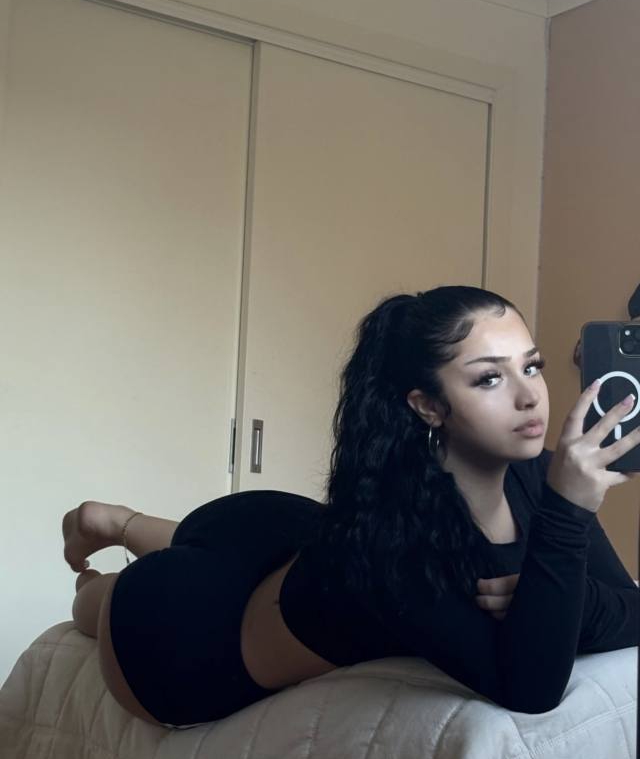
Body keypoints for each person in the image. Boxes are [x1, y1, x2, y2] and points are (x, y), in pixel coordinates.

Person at [65, 285, 640, 728]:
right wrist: (568, 514)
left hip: (284, 537)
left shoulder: (537, 476)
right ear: (428, 405)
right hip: (186, 629)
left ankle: (120, 521)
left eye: (531, 366)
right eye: (489, 378)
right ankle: (108, 542)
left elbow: (630, 608)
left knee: (264, 552)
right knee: (95, 601)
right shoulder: (397, 536)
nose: (530, 395)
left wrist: (568, 597)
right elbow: (530, 691)